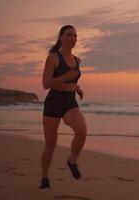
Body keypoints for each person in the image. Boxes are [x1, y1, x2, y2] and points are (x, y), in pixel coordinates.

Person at [40, 25, 87, 189]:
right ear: (61, 38)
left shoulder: (77, 60)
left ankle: (72, 160)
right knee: (51, 144)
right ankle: (45, 178)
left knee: (82, 130)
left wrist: (76, 87)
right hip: (54, 102)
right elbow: (46, 84)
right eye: (69, 35)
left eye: (75, 35)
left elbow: (73, 80)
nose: (73, 38)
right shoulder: (53, 58)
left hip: (69, 101)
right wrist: (67, 76)